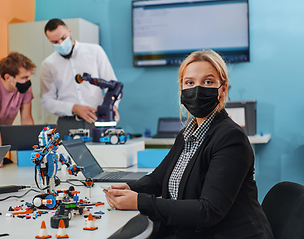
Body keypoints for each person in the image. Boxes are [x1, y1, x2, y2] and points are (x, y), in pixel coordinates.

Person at [104, 50, 274, 239]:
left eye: (208, 82)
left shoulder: (231, 138)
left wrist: (139, 202)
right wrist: (127, 189)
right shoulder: (187, 133)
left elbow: (209, 210)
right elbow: (158, 180)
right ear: (182, 89)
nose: (197, 89)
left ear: (223, 89)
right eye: (190, 83)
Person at [40, 18, 119, 137]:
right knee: (65, 156)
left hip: (98, 120)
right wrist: (73, 108)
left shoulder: (95, 51)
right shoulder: (48, 64)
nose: (60, 44)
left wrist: (112, 106)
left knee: (103, 155)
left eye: (63, 38)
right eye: (55, 42)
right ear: (49, 41)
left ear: (70, 31)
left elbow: (113, 86)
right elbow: (47, 101)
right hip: (68, 124)